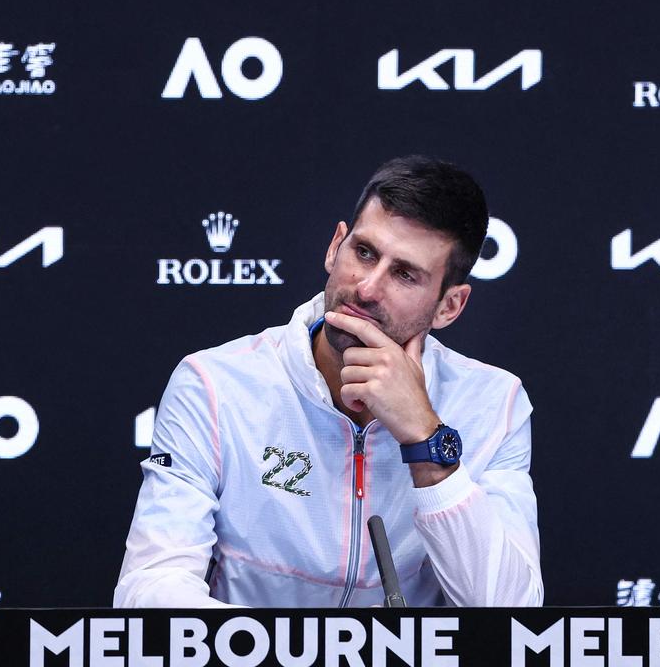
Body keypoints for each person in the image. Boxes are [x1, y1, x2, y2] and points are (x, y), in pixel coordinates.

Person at [114, 156, 542, 607]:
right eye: (364, 253)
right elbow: (151, 586)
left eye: (404, 274)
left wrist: (425, 440)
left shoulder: (496, 404)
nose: (367, 288)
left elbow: (511, 616)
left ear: (449, 306)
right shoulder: (214, 385)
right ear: (335, 246)